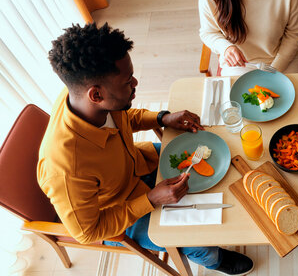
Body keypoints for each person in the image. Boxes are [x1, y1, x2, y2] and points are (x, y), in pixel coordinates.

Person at [38, 23, 254, 276]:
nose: (136, 83)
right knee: (197, 237)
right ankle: (213, 258)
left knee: (212, 153)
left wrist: (161, 118)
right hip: (122, 211)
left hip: (137, 161)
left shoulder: (81, 97)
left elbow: (123, 116)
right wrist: (150, 200)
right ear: (96, 95)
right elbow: (88, 232)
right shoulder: (65, 169)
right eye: (128, 81)